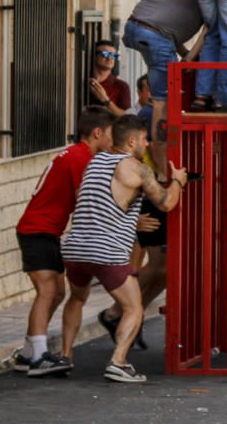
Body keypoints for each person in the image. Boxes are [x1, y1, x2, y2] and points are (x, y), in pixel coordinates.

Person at [60, 115, 188, 383]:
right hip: (106, 250)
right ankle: (118, 361)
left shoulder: (95, 162)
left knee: (77, 299)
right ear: (132, 141)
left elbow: (108, 199)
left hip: (75, 247)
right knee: (133, 308)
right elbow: (166, 203)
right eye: (143, 139)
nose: (147, 143)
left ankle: (65, 355)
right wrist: (177, 181)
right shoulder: (136, 168)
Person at [11, 106, 115, 376]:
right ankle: (38, 357)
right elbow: (87, 198)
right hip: (38, 230)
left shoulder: (75, 154)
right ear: (97, 133)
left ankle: (27, 352)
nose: (112, 141)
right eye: (111, 135)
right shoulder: (81, 158)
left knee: (56, 292)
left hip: (46, 230)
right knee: (47, 292)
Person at [123, 0, 205, 178]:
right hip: (156, 36)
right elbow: (209, 28)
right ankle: (165, 173)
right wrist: (190, 58)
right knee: (165, 103)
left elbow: (170, 27)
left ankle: (163, 163)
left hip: (137, 26)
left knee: (161, 98)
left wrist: (184, 54)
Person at [87, 40, 131, 116]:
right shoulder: (83, 80)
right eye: (106, 54)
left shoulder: (122, 86)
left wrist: (105, 100)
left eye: (113, 55)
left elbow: (126, 117)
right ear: (94, 56)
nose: (109, 58)